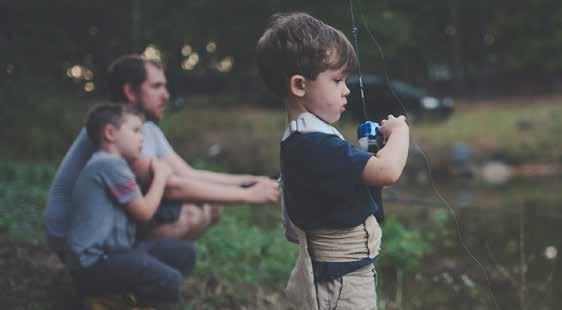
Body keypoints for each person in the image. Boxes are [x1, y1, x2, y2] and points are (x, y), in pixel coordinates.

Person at [44, 54, 280, 259]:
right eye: (156, 87)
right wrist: (248, 195)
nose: (166, 95)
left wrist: (252, 179)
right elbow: (171, 187)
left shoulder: (146, 129)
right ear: (130, 91)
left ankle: (138, 273)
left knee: (210, 206)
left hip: (106, 225)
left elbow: (190, 174)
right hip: (72, 236)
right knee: (190, 213)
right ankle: (122, 280)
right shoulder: (117, 132)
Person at [256, 13, 409, 309]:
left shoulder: (308, 137)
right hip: (340, 283)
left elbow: (359, 184)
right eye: (337, 80)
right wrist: (400, 131)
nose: (346, 89)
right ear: (299, 85)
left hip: (342, 276)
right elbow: (387, 171)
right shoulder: (313, 144)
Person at [65, 103, 193, 306]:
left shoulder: (113, 165)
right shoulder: (109, 165)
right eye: (135, 130)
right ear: (110, 133)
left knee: (184, 253)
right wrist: (161, 175)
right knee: (169, 280)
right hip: (93, 265)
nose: (142, 137)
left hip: (115, 256)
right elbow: (144, 212)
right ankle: (105, 298)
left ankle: (121, 296)